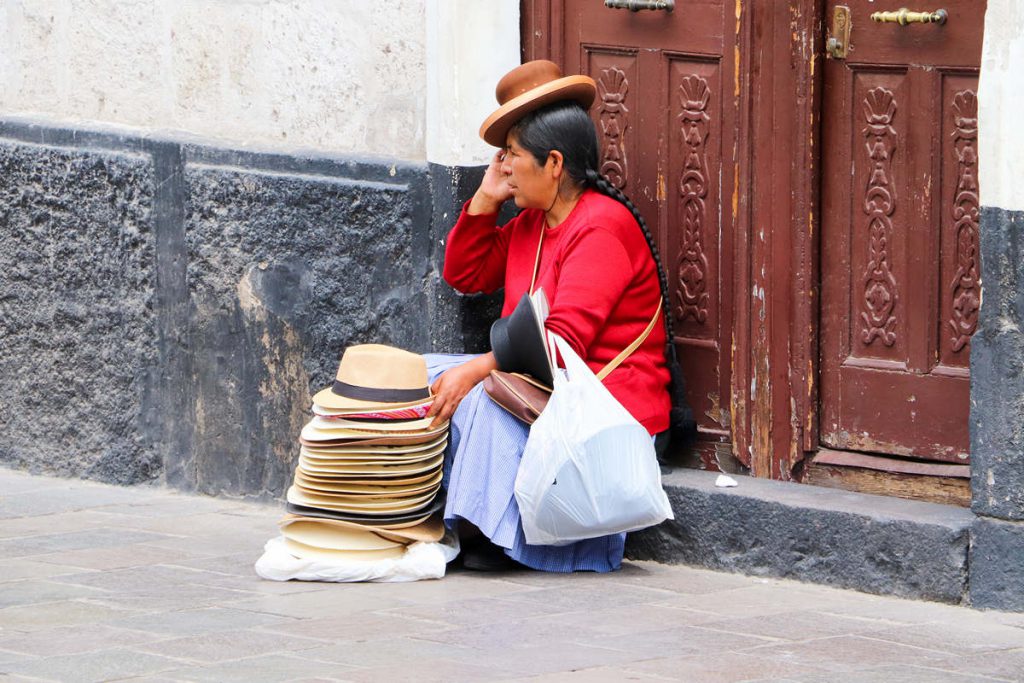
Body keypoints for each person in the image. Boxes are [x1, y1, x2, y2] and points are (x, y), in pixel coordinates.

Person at [424, 60, 694, 572]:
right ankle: (414, 508)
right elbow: (466, 273)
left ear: (552, 162)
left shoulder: (601, 228)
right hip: (541, 389)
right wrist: (484, 199)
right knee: (420, 376)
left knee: (479, 393)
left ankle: (489, 534)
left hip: (607, 414)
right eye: (501, 159)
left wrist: (476, 371)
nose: (504, 168)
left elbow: (560, 343)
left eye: (513, 157)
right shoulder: (532, 222)